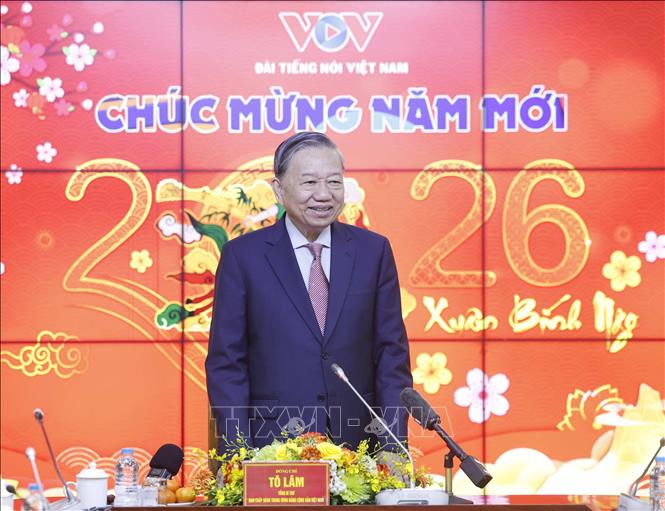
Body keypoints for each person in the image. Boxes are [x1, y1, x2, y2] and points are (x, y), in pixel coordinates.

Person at [205, 132, 412, 453]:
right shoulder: (242, 257)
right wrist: (235, 453)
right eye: (309, 182)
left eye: (334, 182)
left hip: (359, 445)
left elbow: (391, 357)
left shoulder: (373, 252)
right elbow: (227, 364)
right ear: (278, 189)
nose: (324, 194)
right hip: (272, 446)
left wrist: (393, 446)